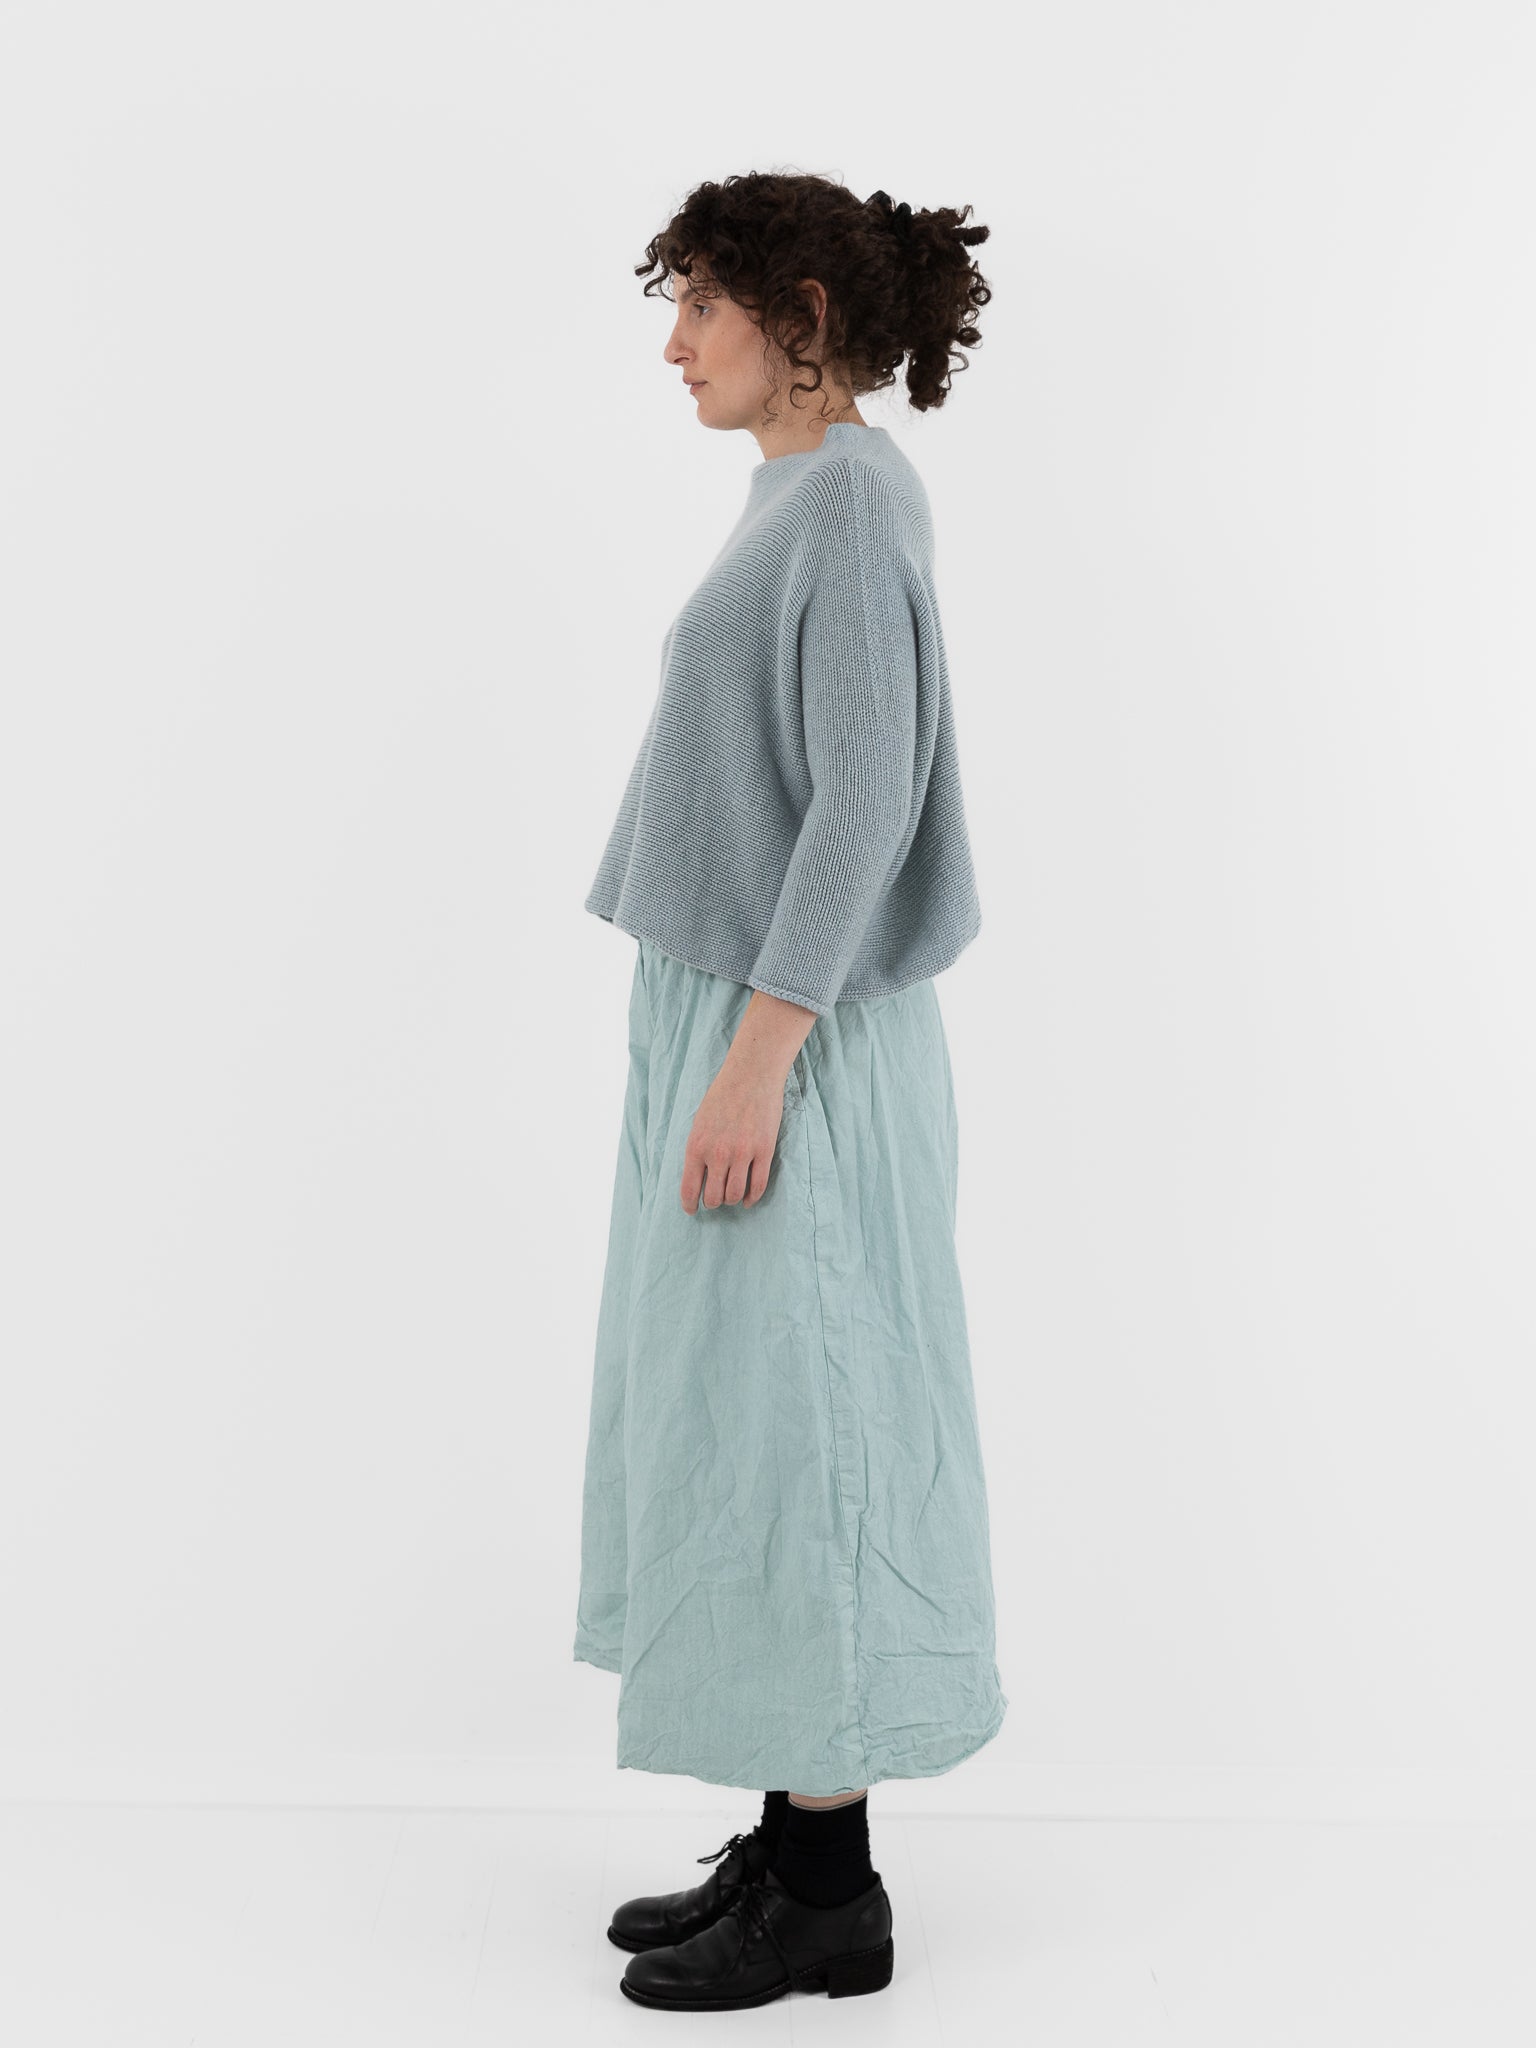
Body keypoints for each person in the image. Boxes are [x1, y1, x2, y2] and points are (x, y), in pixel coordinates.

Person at [573, 169, 1006, 2013]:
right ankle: (793, 1833)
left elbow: (865, 801)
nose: (674, 344)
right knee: (755, 1426)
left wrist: (759, 1057)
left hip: (794, 1040)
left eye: (702, 305)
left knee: (810, 1426)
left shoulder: (844, 503)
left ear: (802, 318)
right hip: (752, 1011)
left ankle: (832, 1898)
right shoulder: (804, 495)